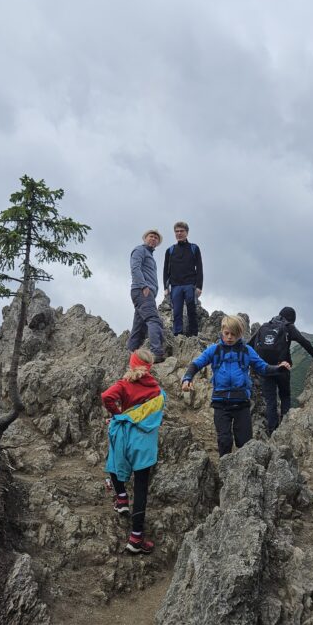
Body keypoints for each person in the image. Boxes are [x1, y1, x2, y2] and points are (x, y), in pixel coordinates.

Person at [181, 315, 290, 456]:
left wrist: (278, 368)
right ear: (222, 331)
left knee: (245, 443)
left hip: (242, 403)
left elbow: (262, 367)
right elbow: (196, 364)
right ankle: (223, 469)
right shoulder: (214, 350)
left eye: (234, 334)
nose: (230, 337)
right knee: (224, 441)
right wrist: (187, 378)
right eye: (227, 333)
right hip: (220, 403)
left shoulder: (246, 351)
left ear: (240, 334)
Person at [101, 348, 166, 555]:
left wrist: (118, 415)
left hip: (125, 437)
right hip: (144, 442)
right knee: (140, 488)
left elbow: (106, 397)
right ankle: (136, 538)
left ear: (132, 364)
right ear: (150, 367)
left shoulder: (124, 384)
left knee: (113, 462)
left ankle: (121, 498)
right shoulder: (157, 390)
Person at [249, 306, 313, 433]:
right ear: (292, 319)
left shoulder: (264, 326)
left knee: (270, 400)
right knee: (285, 396)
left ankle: (272, 431)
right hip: (282, 367)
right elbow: (304, 343)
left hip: (265, 368)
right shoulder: (288, 327)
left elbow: (249, 345)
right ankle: (286, 430)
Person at [128, 229, 165, 361]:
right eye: (151, 236)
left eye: (156, 238)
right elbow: (135, 268)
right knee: (154, 320)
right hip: (142, 290)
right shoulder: (139, 250)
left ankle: (131, 355)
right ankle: (157, 353)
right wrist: (144, 286)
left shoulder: (150, 256)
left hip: (145, 293)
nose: (153, 239)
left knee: (139, 328)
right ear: (145, 238)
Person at [163, 221, 203, 337]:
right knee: (177, 311)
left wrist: (199, 286)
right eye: (177, 231)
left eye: (181, 231)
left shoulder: (194, 248)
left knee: (191, 309)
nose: (179, 233)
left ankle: (193, 334)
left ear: (187, 232)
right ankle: (177, 334)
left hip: (190, 284)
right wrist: (166, 288)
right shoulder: (170, 250)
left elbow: (199, 268)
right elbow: (165, 270)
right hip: (175, 285)